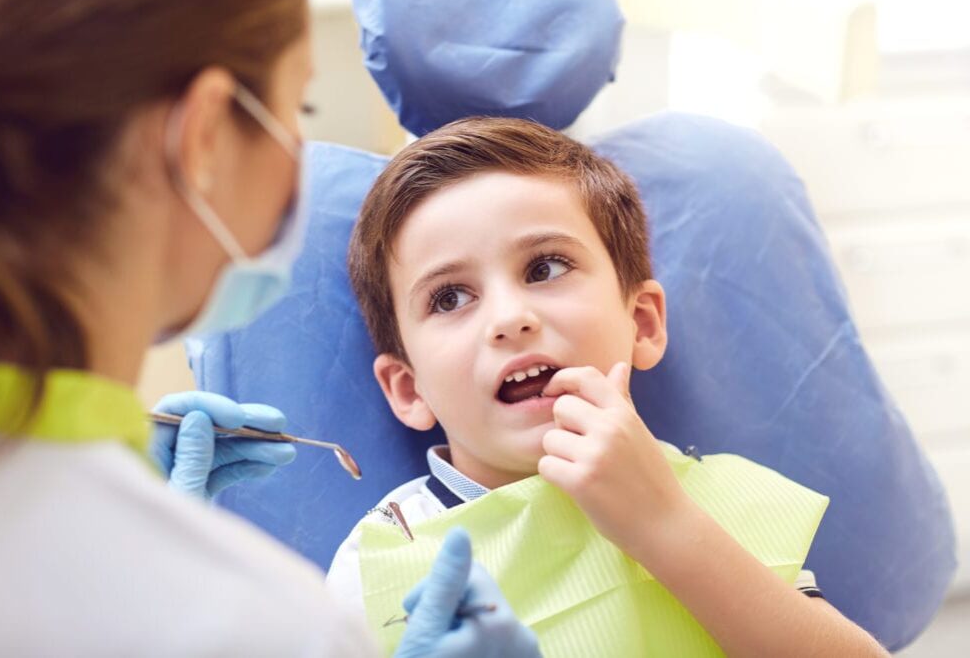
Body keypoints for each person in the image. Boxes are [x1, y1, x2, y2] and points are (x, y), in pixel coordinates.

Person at [0, 0, 539, 655]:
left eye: (545, 269)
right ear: (205, 140)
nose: (512, 317)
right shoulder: (269, 625)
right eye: (297, 106)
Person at [328, 116, 888, 656]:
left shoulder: (704, 502)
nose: (509, 316)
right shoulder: (382, 556)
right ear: (409, 389)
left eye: (545, 268)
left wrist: (666, 527)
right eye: (449, 297)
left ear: (642, 322)